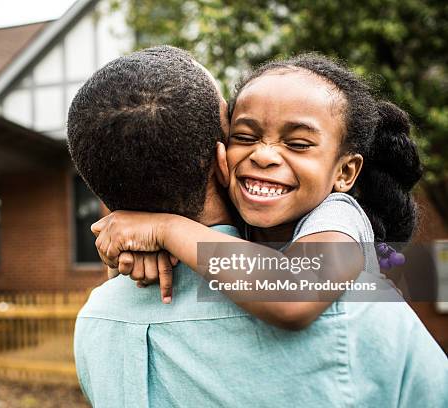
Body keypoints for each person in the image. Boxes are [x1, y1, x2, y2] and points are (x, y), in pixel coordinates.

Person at [85, 51, 448, 406]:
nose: (264, 155)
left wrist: (165, 228)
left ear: (345, 172)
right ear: (220, 157)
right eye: (244, 136)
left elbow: (292, 292)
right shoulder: (240, 229)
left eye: (298, 144)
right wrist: (132, 254)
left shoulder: (340, 215)